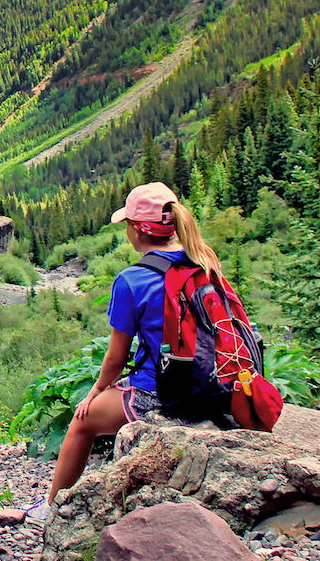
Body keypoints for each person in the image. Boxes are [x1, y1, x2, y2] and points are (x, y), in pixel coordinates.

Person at [25, 181, 222, 521]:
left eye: (127, 225)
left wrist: (96, 391)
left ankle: (51, 507)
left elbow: (116, 357)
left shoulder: (132, 279)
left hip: (160, 391)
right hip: (212, 384)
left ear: (136, 231)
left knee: (82, 422)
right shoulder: (205, 262)